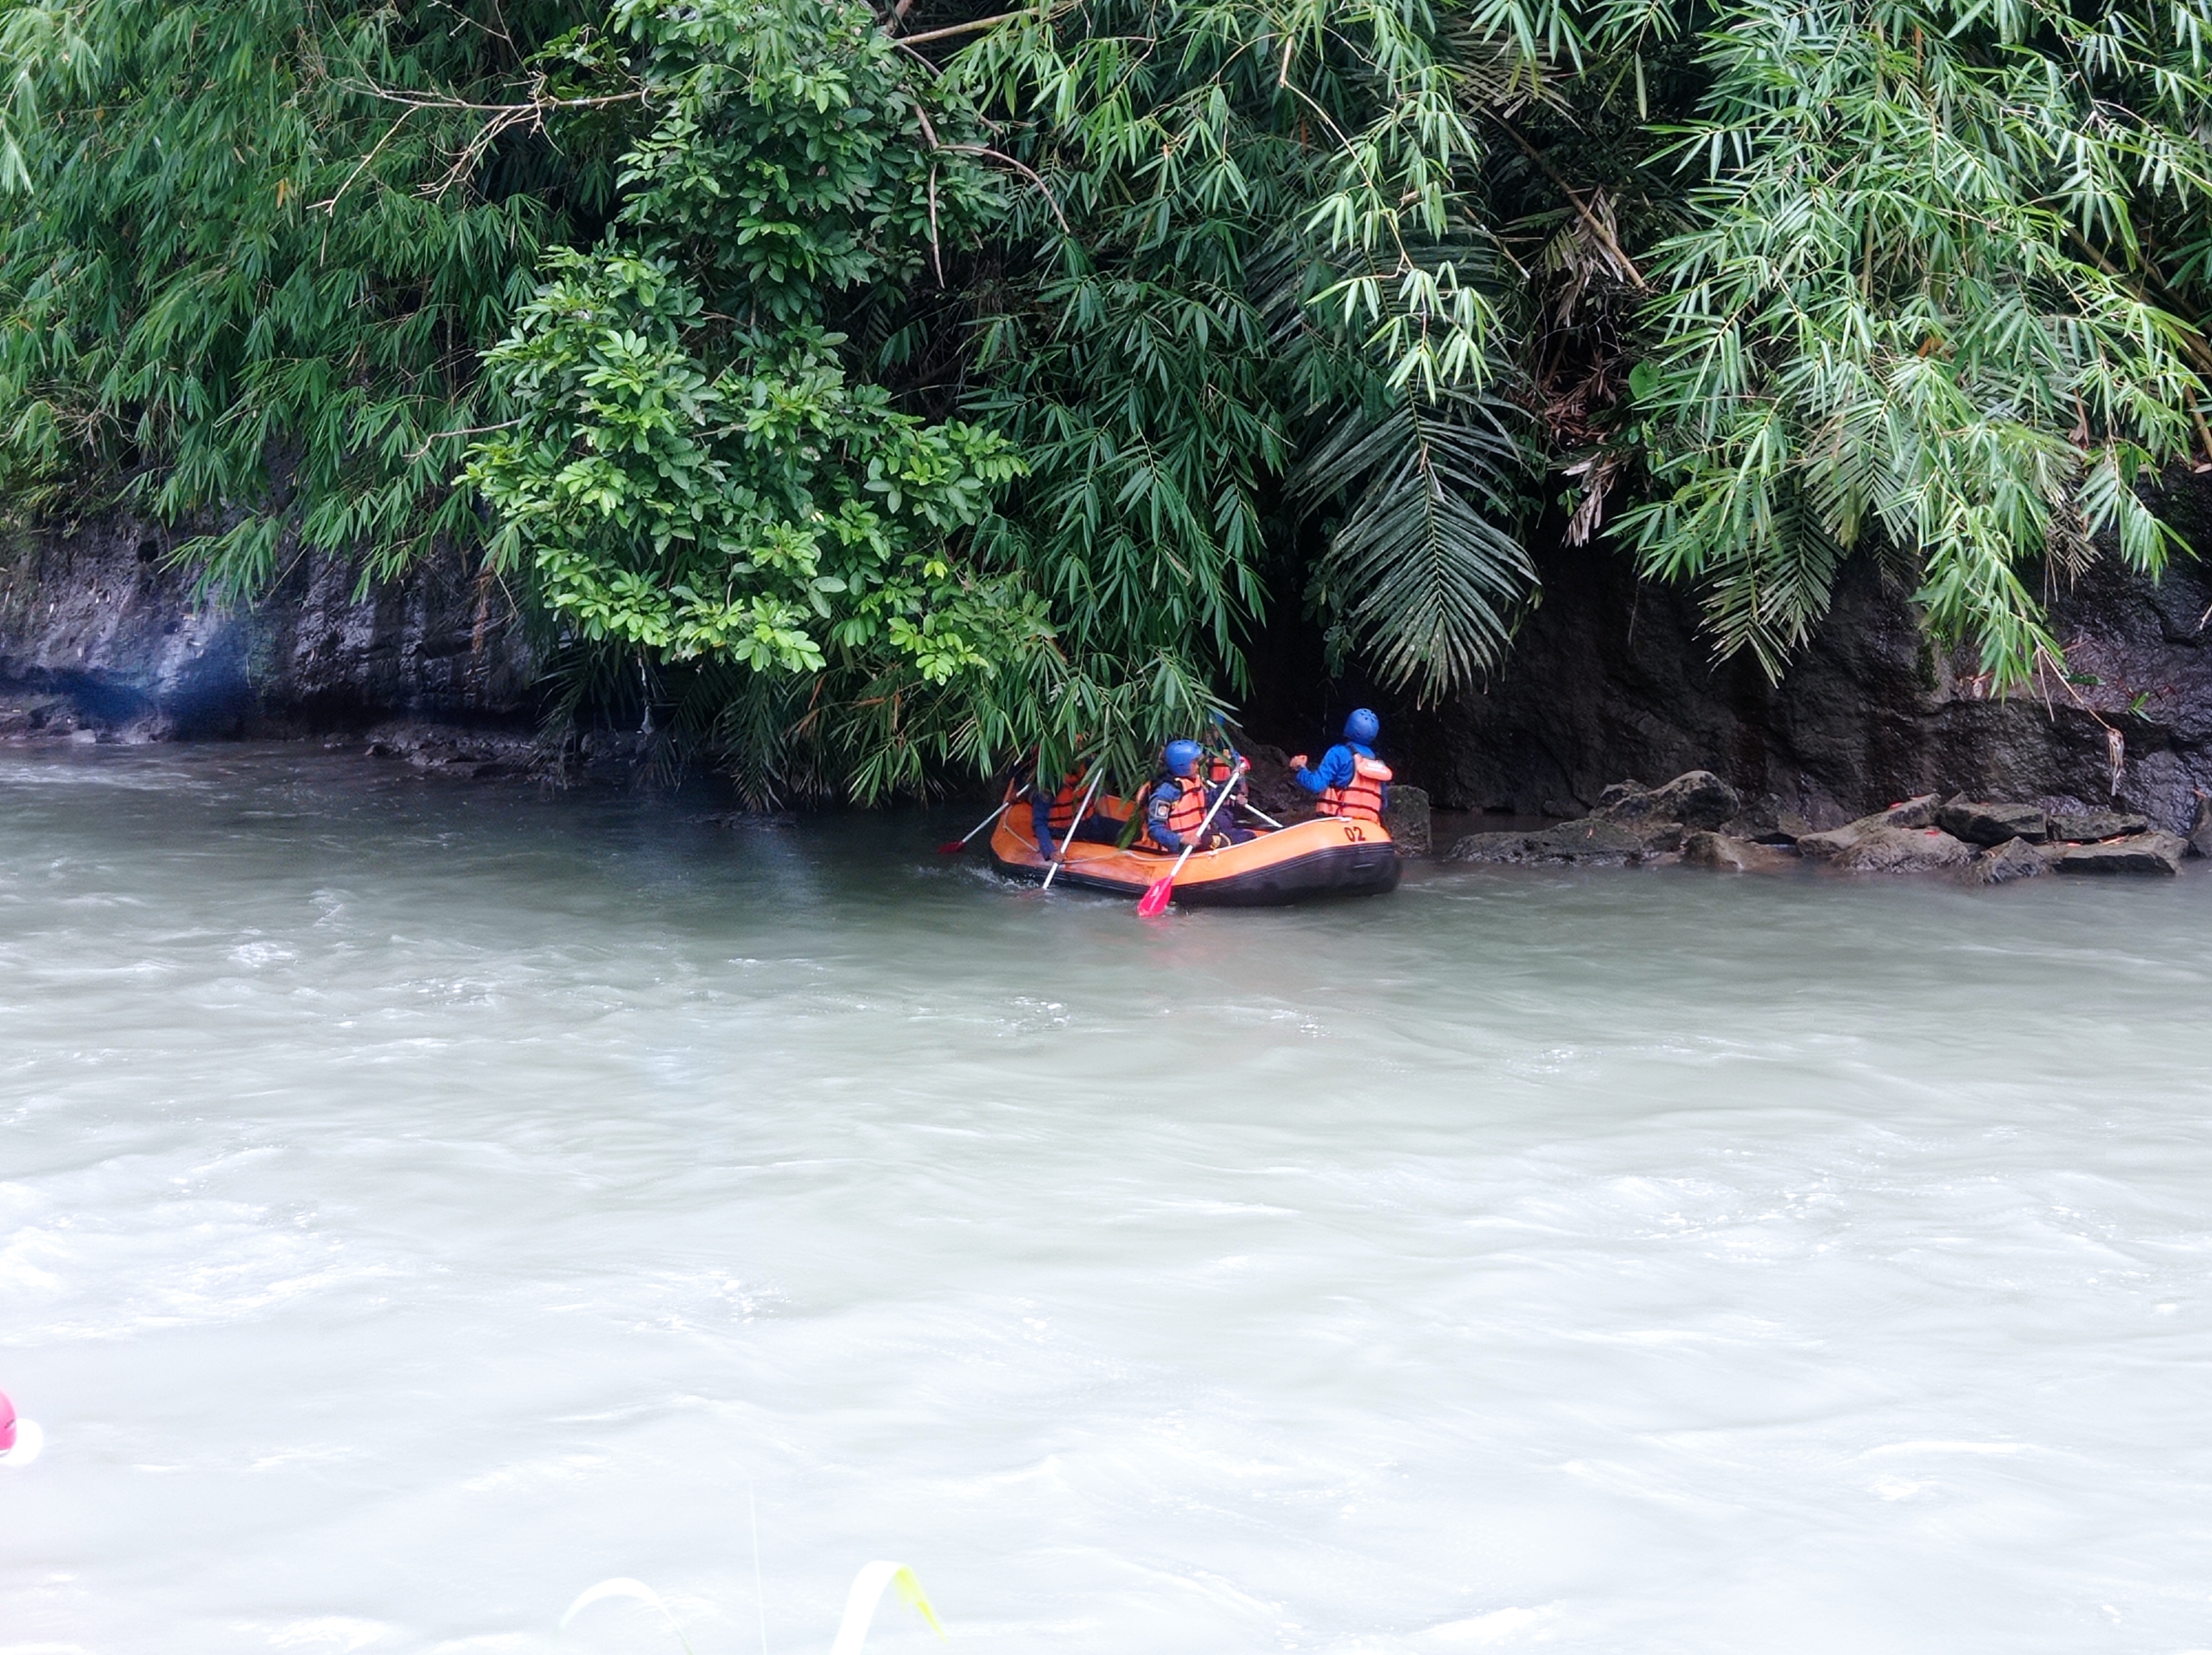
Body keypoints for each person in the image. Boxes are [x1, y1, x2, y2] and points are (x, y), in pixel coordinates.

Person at [1138, 739, 1250, 853]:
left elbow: (1210, 800)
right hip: (1182, 847)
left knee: (1247, 836)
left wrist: (1232, 780)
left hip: (1201, 838)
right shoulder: (1166, 792)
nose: (1198, 766)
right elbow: (1155, 829)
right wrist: (1182, 839)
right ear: (1181, 765)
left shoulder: (1194, 781)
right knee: (1243, 839)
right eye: (1194, 763)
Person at [1290, 708, 1393, 824]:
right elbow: (1383, 804)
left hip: (1339, 824)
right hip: (1368, 828)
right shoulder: (1379, 765)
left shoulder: (1338, 753)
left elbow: (1316, 785)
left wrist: (1299, 768)